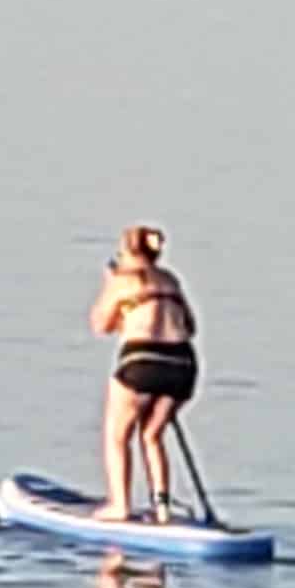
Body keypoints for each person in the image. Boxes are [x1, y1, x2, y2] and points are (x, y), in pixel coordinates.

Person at [86, 224, 199, 522]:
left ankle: (119, 506)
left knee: (117, 436)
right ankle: (162, 509)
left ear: (126, 253)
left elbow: (100, 325)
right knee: (151, 434)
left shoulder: (122, 281)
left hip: (141, 361)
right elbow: (190, 326)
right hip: (182, 363)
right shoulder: (170, 280)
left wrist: (110, 287)